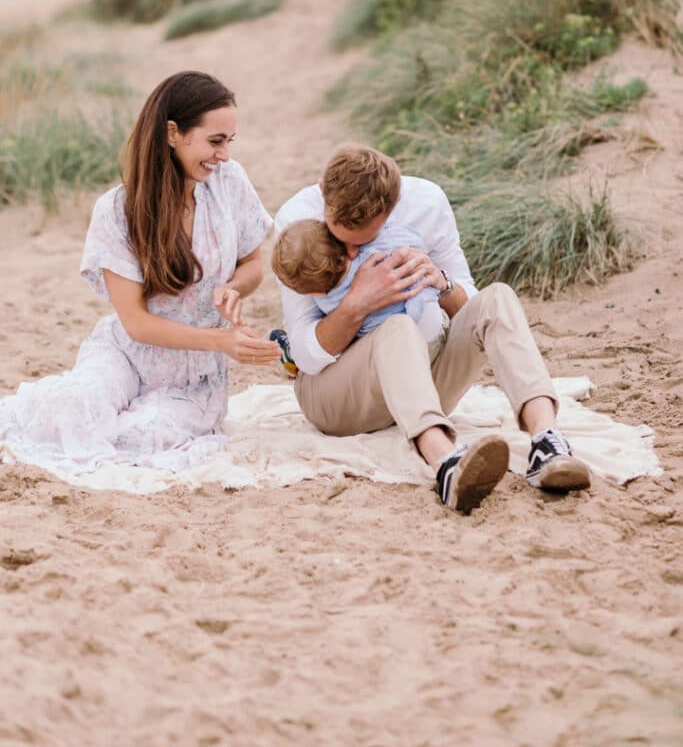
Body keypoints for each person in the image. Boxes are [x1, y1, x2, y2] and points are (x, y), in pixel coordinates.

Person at [274, 144, 591, 513]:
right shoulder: (297, 220)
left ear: (393, 207)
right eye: (343, 240)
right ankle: (445, 463)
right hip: (339, 397)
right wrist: (357, 302)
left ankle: (547, 443)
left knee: (496, 299)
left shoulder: (426, 202)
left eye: (364, 241)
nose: (352, 252)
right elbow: (307, 355)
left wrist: (440, 283)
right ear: (323, 193)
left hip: (423, 377)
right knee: (396, 327)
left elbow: (466, 305)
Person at [0, 71, 281, 477]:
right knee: (75, 409)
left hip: (195, 377)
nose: (224, 156)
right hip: (126, 356)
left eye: (228, 142)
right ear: (172, 133)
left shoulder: (230, 182)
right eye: (215, 142)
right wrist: (222, 340)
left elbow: (254, 264)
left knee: (140, 436)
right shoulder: (117, 211)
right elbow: (135, 323)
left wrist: (233, 288)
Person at [271, 218, 445, 348]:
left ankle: (291, 354)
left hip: (390, 348)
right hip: (430, 323)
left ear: (315, 292)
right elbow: (411, 239)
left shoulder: (329, 304)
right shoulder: (373, 254)